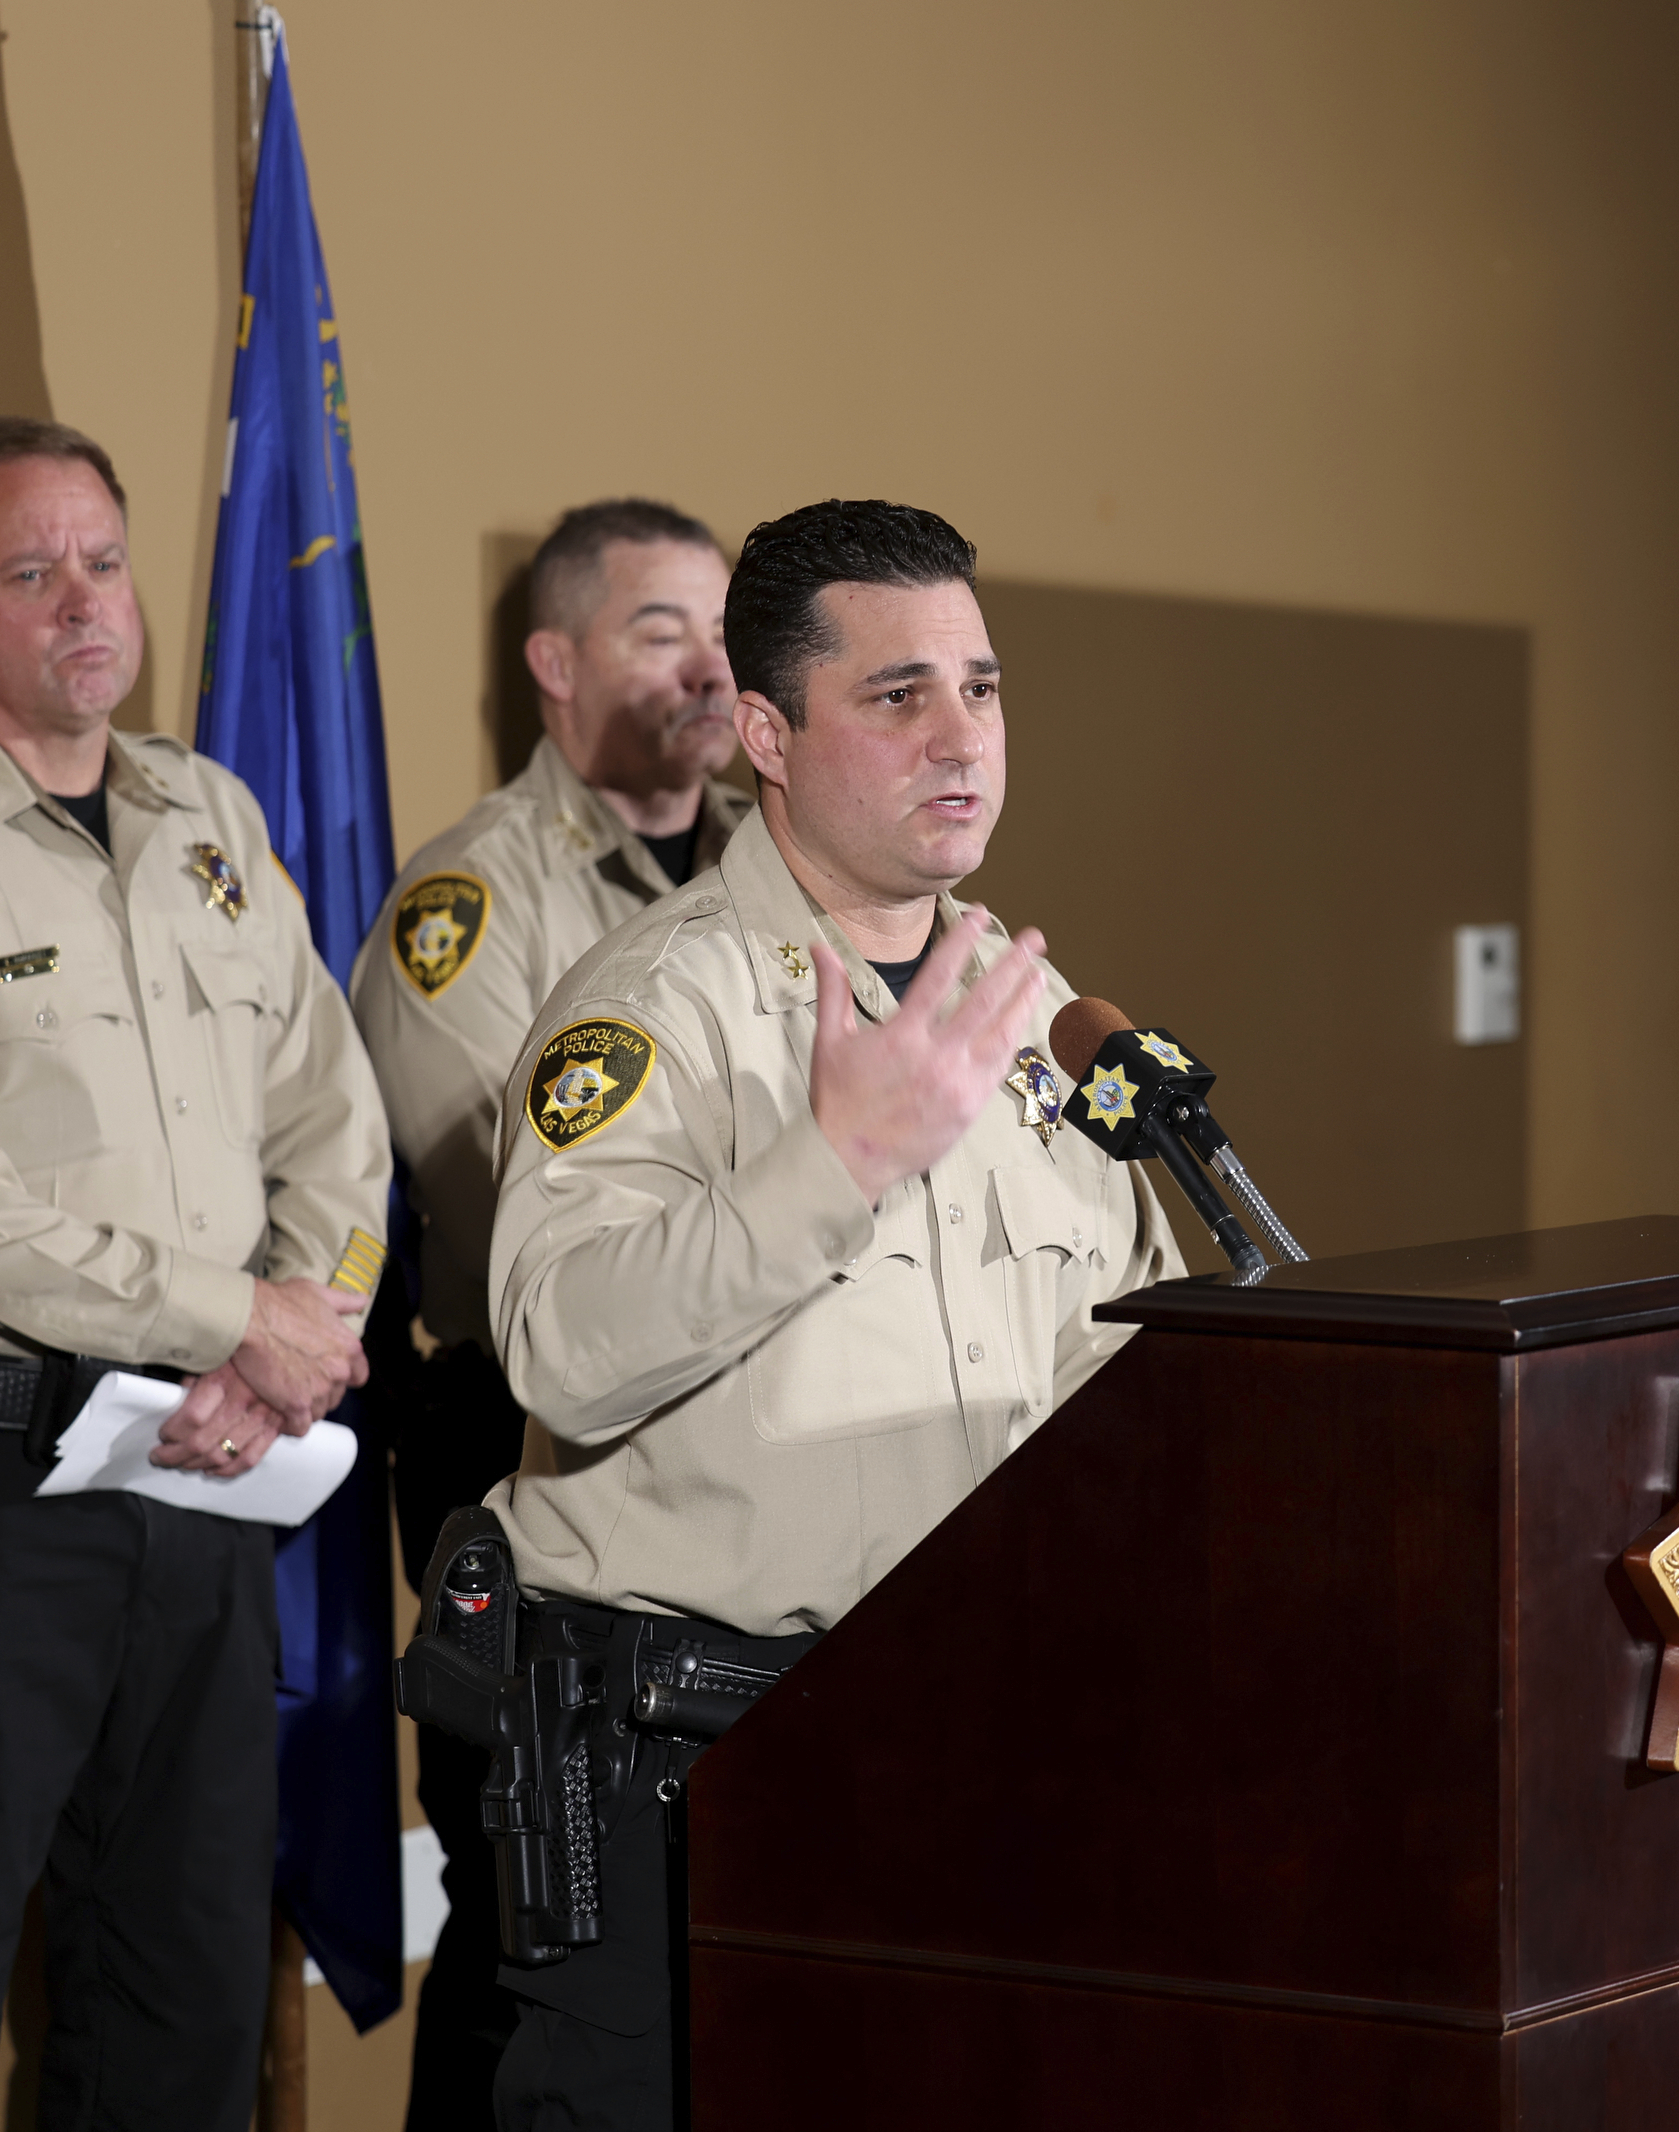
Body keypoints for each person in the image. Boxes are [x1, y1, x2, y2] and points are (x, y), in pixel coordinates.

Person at [467, 497, 1183, 2124]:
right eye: (898, 694)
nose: (960, 736)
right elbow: (561, 1346)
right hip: (695, 1755)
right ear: (767, 735)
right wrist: (836, 1159)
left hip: (982, 1748)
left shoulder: (1025, 1012)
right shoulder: (654, 1006)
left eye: (982, 689)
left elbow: (1125, 1374)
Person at [0, 418, 388, 2126]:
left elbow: (332, 1114)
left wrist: (303, 1330)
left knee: (183, 2002)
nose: (86, 604)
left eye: (104, 561)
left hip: (205, 1477)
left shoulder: (205, 815)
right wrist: (232, 1316)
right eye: (27, 570)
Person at [348, 498, 751, 2129]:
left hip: (739, 1455)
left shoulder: (779, 869)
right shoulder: (470, 904)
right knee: (542, 1936)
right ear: (555, 661)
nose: (714, 666)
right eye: (664, 629)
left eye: (728, 630)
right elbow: (536, 1224)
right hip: (523, 1452)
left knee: (722, 1940)